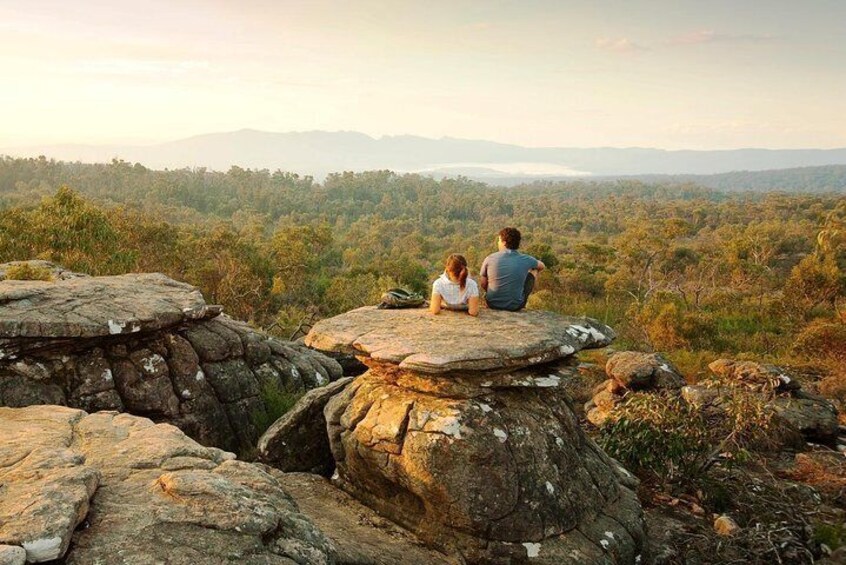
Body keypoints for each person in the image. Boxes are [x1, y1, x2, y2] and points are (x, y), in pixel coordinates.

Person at [480, 227, 545, 311]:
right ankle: (518, 296)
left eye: (499, 240)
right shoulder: (526, 259)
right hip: (515, 306)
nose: (498, 242)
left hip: (492, 303)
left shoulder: (490, 258)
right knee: (534, 270)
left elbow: (483, 284)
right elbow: (542, 266)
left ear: (504, 242)